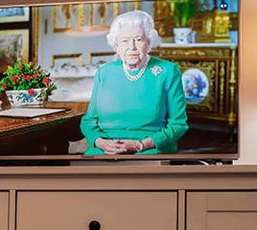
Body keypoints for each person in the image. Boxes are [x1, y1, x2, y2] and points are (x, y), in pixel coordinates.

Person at [80, 10, 188, 155]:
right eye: (124, 41)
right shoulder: (104, 72)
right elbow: (88, 121)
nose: (131, 47)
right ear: (116, 45)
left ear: (149, 42)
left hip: (149, 150)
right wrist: (101, 142)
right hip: (104, 150)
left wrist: (141, 145)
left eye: (138, 39)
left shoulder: (168, 71)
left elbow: (178, 124)